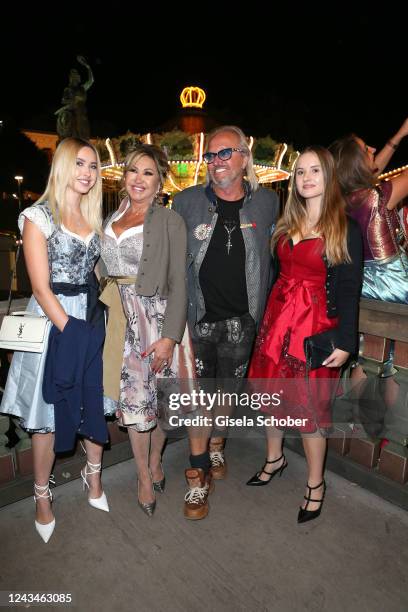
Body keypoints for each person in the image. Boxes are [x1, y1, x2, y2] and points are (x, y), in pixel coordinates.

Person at [0, 137, 109, 543]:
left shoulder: (94, 217)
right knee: (46, 417)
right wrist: (74, 330)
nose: (87, 172)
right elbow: (41, 288)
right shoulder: (38, 216)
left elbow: (98, 275)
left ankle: (93, 477)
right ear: (62, 165)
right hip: (54, 323)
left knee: (93, 400)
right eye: (79, 163)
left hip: (89, 315)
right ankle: (42, 496)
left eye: (93, 166)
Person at [246, 146, 363, 524]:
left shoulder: (344, 228)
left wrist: (346, 342)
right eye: (300, 172)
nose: (306, 178)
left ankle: (315, 485)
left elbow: (349, 289)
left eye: (315, 171)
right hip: (277, 323)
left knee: (313, 409)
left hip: (314, 330)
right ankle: (274, 458)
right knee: (269, 397)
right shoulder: (285, 223)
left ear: (329, 178)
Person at [172, 125, 279, 519]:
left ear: (245, 158)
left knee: (224, 397)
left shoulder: (268, 203)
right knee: (198, 400)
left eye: (225, 153)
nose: (216, 162)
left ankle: (217, 443)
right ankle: (197, 478)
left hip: (242, 323)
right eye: (210, 155)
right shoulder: (185, 202)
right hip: (196, 320)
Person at [99, 144, 194, 517]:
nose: (139, 179)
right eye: (133, 171)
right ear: (124, 177)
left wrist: (170, 338)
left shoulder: (170, 221)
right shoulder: (112, 216)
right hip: (123, 322)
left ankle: (156, 459)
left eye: (148, 173)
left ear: (160, 180)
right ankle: (142, 476)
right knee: (137, 406)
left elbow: (179, 282)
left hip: (159, 319)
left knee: (164, 405)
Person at [329, 118, 408, 304]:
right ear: (356, 162)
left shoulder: (340, 199)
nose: (373, 149)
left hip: (363, 284)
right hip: (394, 284)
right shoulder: (378, 196)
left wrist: (400, 135)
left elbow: (369, 175)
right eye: (366, 149)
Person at [55, 55, 94, 141]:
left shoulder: (82, 88)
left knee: (84, 131)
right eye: (73, 77)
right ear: (71, 78)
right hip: (72, 110)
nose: (75, 78)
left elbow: (91, 81)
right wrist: (73, 101)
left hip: (82, 112)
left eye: (76, 76)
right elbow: (64, 100)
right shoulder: (68, 89)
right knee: (67, 122)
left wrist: (88, 67)